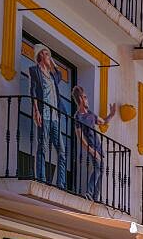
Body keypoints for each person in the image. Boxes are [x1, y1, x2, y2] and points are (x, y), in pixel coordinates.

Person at [28, 45, 67, 188]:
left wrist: (53, 64)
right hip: (43, 114)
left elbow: (60, 76)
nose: (48, 56)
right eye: (45, 54)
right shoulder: (34, 71)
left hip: (55, 117)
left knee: (62, 151)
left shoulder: (52, 75)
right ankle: (42, 178)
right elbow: (32, 91)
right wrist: (36, 111)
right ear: (39, 56)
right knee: (42, 147)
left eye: (49, 54)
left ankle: (61, 183)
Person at [71, 85, 115, 201]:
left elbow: (103, 122)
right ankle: (89, 193)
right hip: (92, 147)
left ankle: (95, 196)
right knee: (98, 168)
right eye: (85, 97)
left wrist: (111, 114)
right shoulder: (78, 117)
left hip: (98, 147)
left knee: (101, 169)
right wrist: (92, 151)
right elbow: (81, 139)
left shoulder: (90, 114)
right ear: (80, 99)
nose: (87, 100)